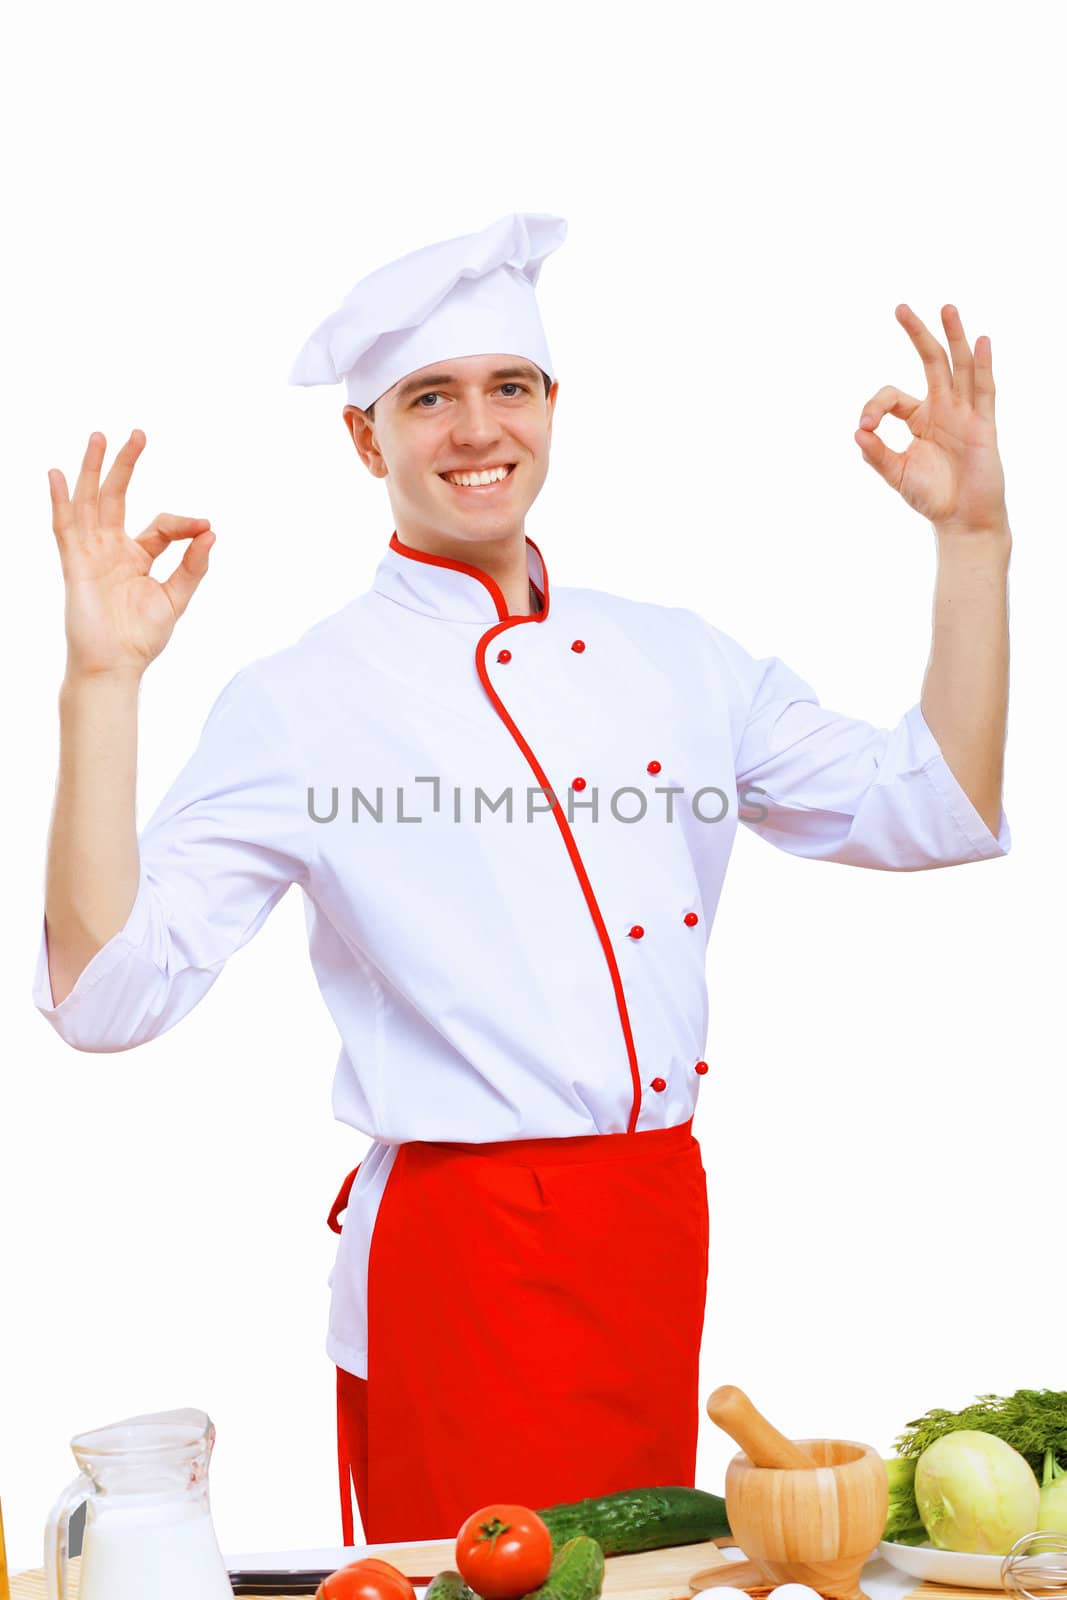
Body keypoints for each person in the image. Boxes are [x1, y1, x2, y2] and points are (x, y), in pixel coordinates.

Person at [34, 211, 1012, 1546]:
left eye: (509, 387)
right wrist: (102, 685)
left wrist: (975, 543)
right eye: (428, 396)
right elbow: (106, 995)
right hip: (470, 1253)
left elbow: (936, 807)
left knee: (648, 1579)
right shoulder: (304, 702)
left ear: (555, 408)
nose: (475, 428)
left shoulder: (678, 660)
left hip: (656, 1216)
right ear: (366, 439)